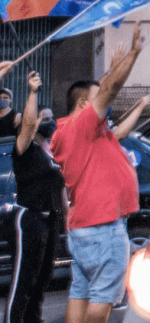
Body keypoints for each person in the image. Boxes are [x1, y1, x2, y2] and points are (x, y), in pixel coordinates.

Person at [50, 23, 145, 323]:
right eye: (98, 98)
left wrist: (138, 103)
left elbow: (115, 120)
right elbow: (109, 89)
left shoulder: (74, 132)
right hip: (104, 229)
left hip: (84, 229)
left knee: (80, 292)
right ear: (82, 104)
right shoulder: (83, 125)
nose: (106, 103)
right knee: (101, 300)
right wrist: (134, 53)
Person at [8, 68, 64, 323]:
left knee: (42, 282)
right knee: (24, 282)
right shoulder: (25, 148)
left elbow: (60, 188)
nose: (48, 122)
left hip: (50, 219)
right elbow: (29, 124)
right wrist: (32, 92)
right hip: (29, 220)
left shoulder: (52, 151)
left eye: (51, 118)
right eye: (44, 118)